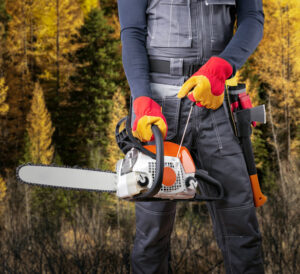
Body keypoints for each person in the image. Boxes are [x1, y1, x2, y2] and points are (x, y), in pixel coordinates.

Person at [117, 0, 265, 273]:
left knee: (242, 234)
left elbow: (253, 19)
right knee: (151, 239)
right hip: (158, 111)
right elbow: (132, 32)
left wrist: (221, 68)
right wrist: (141, 97)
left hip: (214, 103)